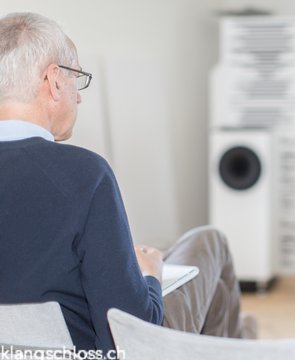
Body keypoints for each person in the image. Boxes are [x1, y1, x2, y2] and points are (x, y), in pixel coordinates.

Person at [0, 12, 254, 355]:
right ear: (53, 81)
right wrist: (150, 277)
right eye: (76, 77)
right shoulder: (85, 175)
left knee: (215, 298)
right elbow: (129, 336)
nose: (79, 97)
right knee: (209, 243)